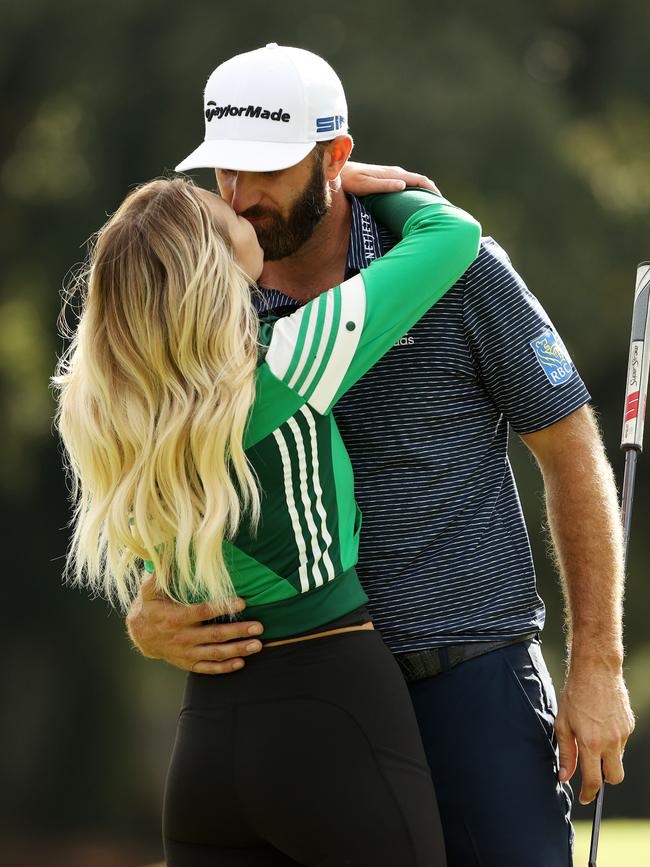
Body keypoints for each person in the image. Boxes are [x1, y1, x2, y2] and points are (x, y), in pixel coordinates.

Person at [127, 44, 635, 866]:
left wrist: (599, 663)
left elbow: (571, 447)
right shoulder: (201, 300)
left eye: (268, 171)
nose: (239, 196)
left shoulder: (466, 276)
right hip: (296, 693)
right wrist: (148, 602)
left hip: (470, 681)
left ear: (336, 158)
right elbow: (155, 469)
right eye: (224, 171)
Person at [53, 171, 481, 865]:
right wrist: (343, 182)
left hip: (204, 747)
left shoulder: (99, 412)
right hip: (333, 711)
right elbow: (452, 234)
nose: (245, 209)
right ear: (215, 263)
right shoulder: (289, 361)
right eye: (230, 215)